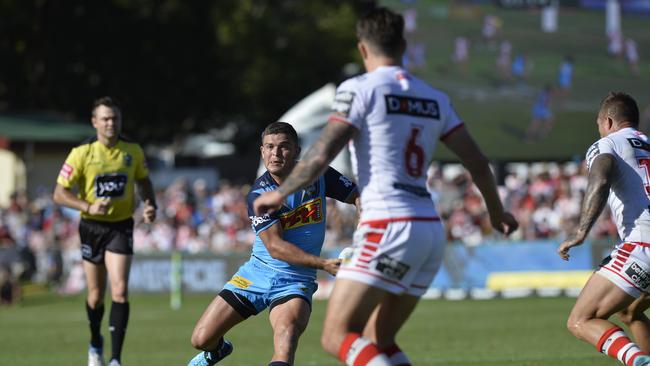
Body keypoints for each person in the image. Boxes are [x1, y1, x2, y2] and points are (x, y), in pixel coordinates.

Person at [254, 8, 518, 366]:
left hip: (387, 224)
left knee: (337, 335)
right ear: (404, 46)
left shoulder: (358, 89)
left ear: (363, 49)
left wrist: (279, 193)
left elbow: (320, 153)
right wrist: (496, 210)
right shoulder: (434, 98)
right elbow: (477, 162)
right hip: (429, 230)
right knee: (380, 339)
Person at [187, 122, 358, 366]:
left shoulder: (319, 174)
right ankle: (217, 351)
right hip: (256, 275)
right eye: (270, 147)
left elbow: (358, 196)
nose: (275, 154)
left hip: (296, 281)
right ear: (262, 151)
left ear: (297, 151)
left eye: (283, 147)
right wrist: (323, 264)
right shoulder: (259, 194)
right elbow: (275, 247)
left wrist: (363, 235)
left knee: (285, 339)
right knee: (201, 339)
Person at [53, 96, 157, 366]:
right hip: (92, 226)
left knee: (120, 290)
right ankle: (95, 341)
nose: (111, 123)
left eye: (116, 119)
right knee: (96, 295)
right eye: (106, 119)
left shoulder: (132, 150)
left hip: (121, 226)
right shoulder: (82, 153)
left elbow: (144, 181)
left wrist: (149, 204)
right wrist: (87, 205)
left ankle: (115, 359)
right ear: (95, 122)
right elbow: (59, 194)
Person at [557, 92, 650, 366]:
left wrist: (581, 231)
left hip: (642, 245)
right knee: (630, 312)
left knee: (580, 320)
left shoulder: (608, 143)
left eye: (598, 124)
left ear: (608, 121)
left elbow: (599, 179)